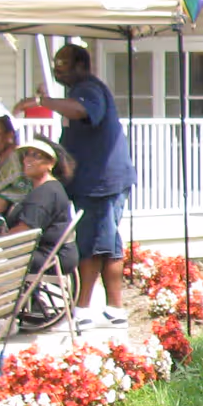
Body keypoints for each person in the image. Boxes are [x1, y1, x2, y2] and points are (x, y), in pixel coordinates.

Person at [24, 42, 133, 327]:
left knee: (94, 244)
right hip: (93, 181)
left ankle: (84, 308)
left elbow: (82, 111)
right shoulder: (77, 90)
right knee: (108, 243)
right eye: (55, 62)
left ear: (81, 66)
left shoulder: (88, 89)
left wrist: (44, 102)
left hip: (101, 182)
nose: (57, 68)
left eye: (62, 63)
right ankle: (114, 309)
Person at [5, 138, 77, 301]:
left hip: (49, 258)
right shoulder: (51, 187)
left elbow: (25, 230)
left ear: (50, 163)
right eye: (27, 155)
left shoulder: (44, 193)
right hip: (57, 254)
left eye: (36, 156)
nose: (28, 160)